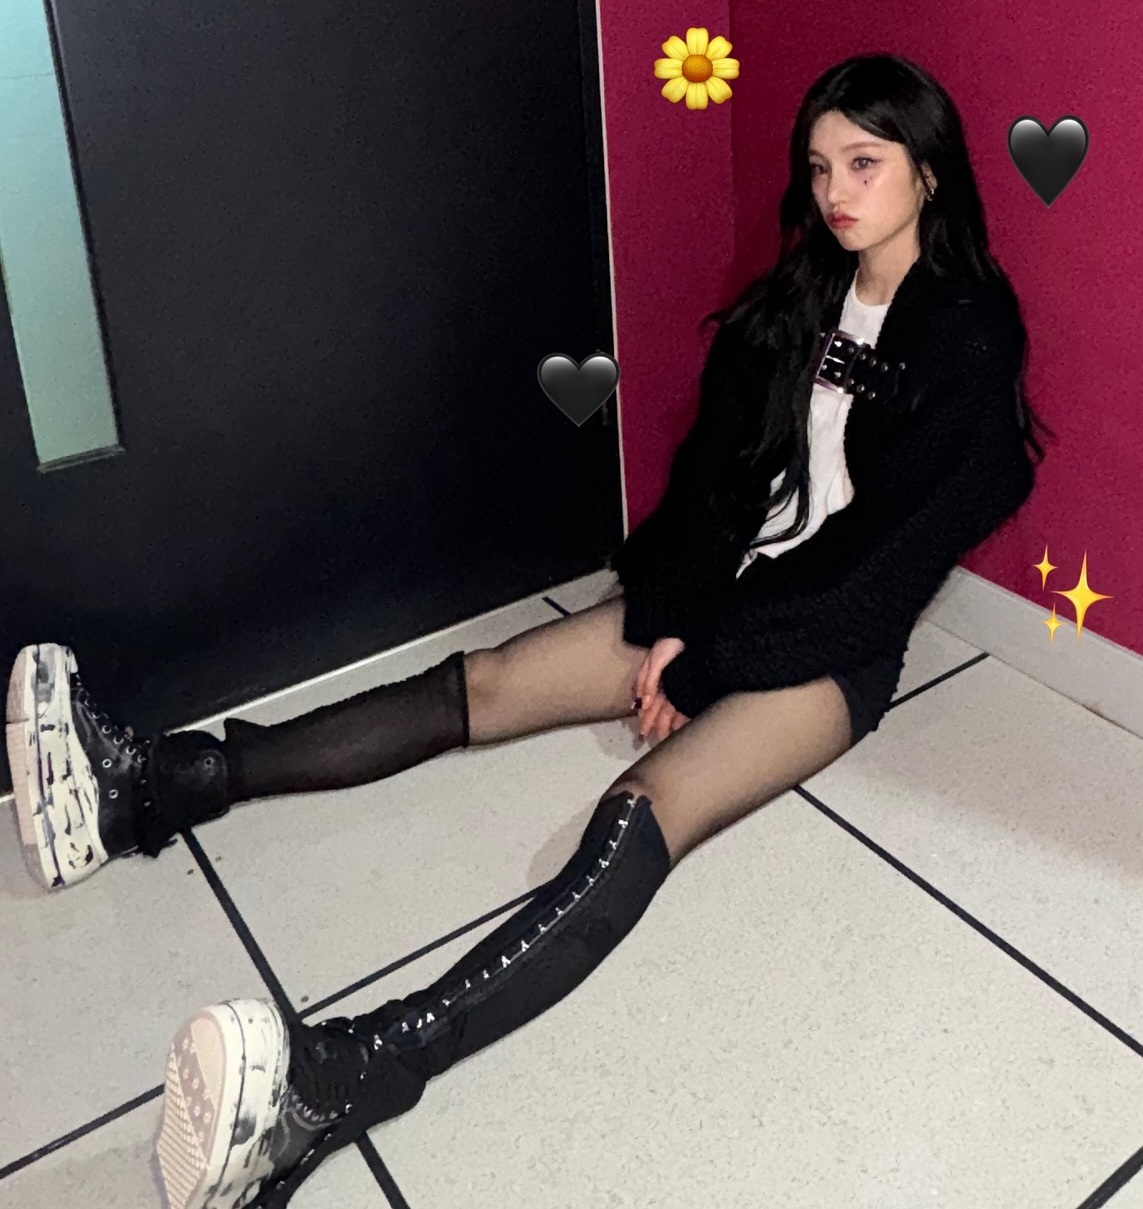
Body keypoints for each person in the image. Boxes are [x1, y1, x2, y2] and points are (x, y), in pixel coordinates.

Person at [4, 52, 1050, 1209]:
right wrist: (674, 619)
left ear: (929, 171)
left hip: (831, 645)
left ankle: (336, 1083)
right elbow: (714, 484)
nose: (835, 192)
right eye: (818, 167)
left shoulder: (969, 333)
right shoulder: (804, 293)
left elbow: (878, 570)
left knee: (637, 813)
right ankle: (148, 790)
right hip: (727, 597)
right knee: (492, 679)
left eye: (864, 164)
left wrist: (712, 662)